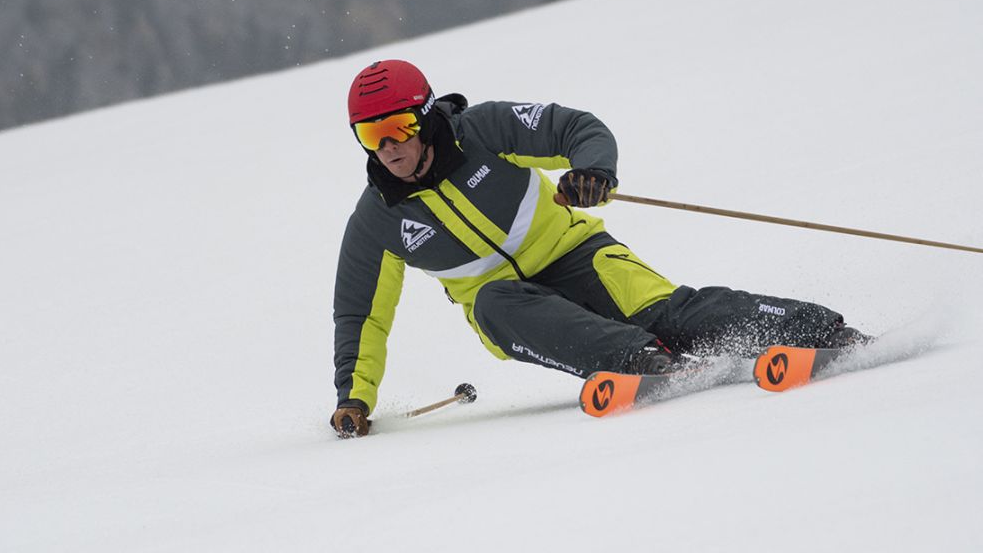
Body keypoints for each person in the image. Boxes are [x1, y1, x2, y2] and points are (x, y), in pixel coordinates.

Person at [330, 59, 867, 438]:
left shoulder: (484, 131)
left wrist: (592, 169)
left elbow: (573, 127)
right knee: (492, 302)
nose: (389, 147)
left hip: (579, 256)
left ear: (425, 118)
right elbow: (360, 316)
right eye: (371, 135)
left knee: (670, 312)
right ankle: (640, 360)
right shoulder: (377, 217)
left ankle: (816, 330)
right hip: (512, 307)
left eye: (398, 127)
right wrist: (353, 399)